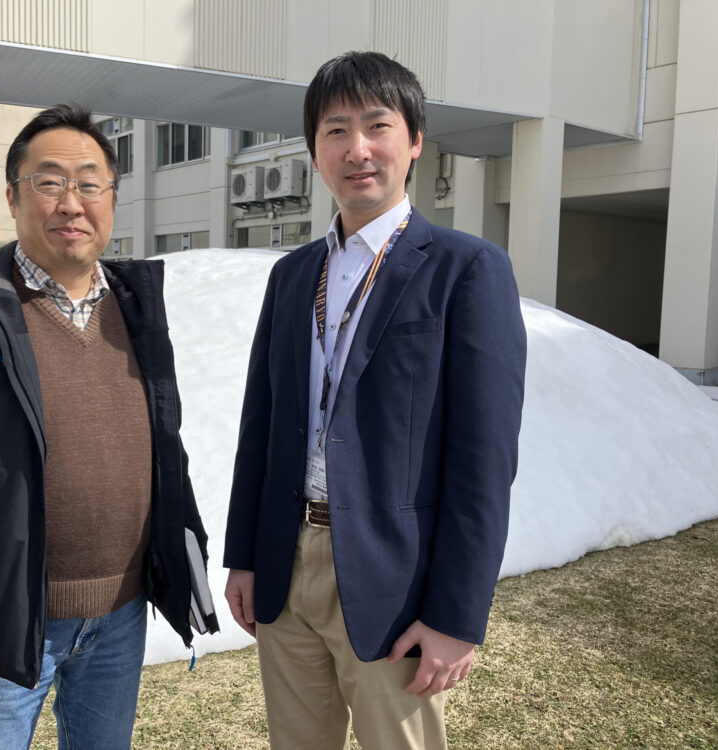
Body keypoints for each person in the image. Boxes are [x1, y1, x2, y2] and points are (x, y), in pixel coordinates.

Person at [0, 104, 213, 750]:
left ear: (111, 198)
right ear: (12, 195)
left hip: (120, 616)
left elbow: (164, 447)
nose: (71, 202)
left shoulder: (137, 312)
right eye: (49, 181)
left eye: (90, 183)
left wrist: (183, 555)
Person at [224, 51, 527, 750]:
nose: (356, 149)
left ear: (414, 141)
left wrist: (457, 615)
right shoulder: (294, 275)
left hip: (395, 576)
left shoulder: (467, 271)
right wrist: (246, 553)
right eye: (335, 131)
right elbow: (261, 426)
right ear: (314, 151)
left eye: (376, 126)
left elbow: (484, 461)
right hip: (284, 561)